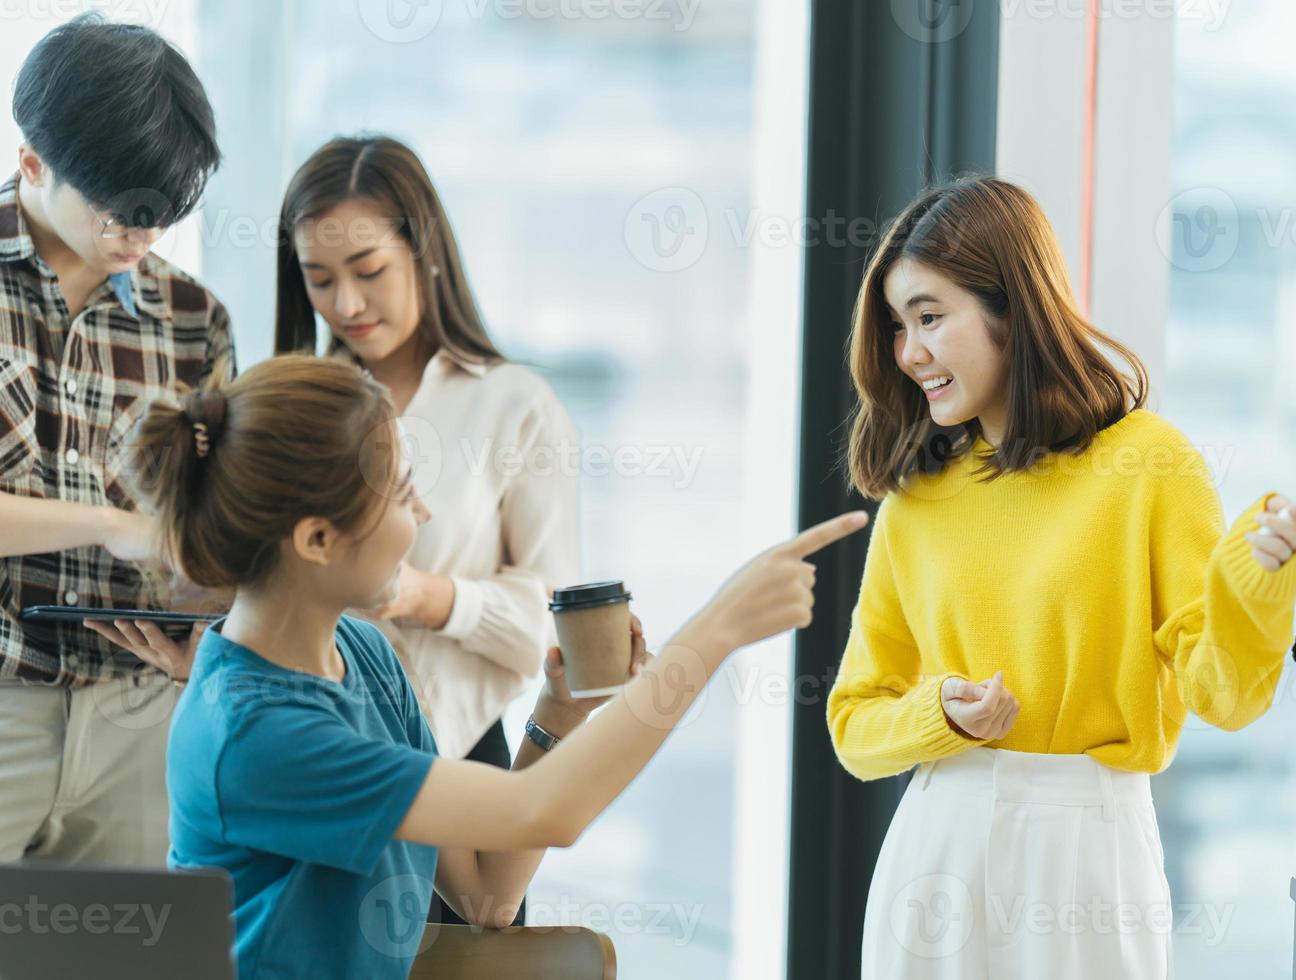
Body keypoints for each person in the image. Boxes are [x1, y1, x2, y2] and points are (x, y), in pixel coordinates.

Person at [126, 352, 864, 979]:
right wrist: (717, 630)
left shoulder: (363, 653)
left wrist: (558, 715)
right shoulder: (256, 734)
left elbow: (485, 895)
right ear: (317, 538)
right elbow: (546, 812)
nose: (423, 515)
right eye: (400, 492)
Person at [826, 176, 1296, 979]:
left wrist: (1257, 584)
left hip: (1088, 851)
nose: (908, 352)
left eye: (929, 317)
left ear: (1011, 311)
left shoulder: (1147, 465)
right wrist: (939, 712)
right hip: (936, 844)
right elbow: (853, 724)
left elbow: (1224, 696)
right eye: (896, 325)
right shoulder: (916, 502)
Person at [273, 134, 579, 926]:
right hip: (312, 753)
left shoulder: (514, 404)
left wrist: (419, 595)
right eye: (319, 279)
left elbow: (552, 639)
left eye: (369, 271)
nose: (345, 304)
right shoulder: (292, 410)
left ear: (426, 252)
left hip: (457, 765)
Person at [0, 13, 231, 867]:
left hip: (142, 712)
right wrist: (109, 524)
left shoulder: (194, 321)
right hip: (5, 690)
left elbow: (215, 522)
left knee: (132, 960)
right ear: (33, 163)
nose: (141, 243)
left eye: (160, 219)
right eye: (120, 219)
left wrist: (202, 598)